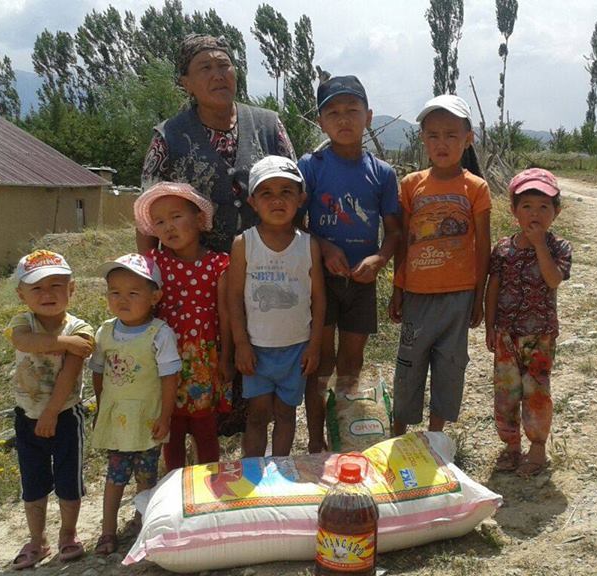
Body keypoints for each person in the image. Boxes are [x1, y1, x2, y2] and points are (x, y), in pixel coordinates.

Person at [298, 75, 401, 453]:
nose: (344, 119)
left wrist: (380, 258)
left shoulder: (382, 173)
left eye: (352, 110)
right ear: (321, 122)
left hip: (361, 283)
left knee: (352, 360)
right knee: (320, 361)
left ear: (368, 117)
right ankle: (315, 440)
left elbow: (394, 231)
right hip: (320, 281)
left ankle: (344, 433)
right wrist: (323, 246)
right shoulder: (310, 166)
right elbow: (294, 224)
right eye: (333, 113)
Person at [389, 95, 491, 436]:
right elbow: (403, 242)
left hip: (458, 297)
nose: (441, 143)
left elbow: (483, 246)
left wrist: (479, 296)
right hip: (417, 295)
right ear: (422, 138)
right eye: (433, 135)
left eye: (451, 135)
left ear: (468, 138)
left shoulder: (476, 188)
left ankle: (435, 437)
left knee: (450, 364)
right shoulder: (411, 185)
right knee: (409, 363)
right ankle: (398, 433)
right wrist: (398, 288)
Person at [140, 34, 296, 255]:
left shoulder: (269, 125)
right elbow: (147, 217)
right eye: (205, 68)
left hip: (269, 264)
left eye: (224, 65)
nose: (218, 75)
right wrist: (149, 270)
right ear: (186, 84)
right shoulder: (167, 137)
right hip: (193, 271)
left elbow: (297, 192)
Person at [227, 156, 325, 457]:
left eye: (286, 192)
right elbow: (234, 297)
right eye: (266, 193)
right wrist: (241, 344)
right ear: (253, 202)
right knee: (257, 415)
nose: (277, 200)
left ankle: (280, 470)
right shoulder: (244, 244)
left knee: (285, 414)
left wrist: (314, 346)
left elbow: (319, 299)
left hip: (296, 350)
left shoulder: (308, 245)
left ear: (300, 199)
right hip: (257, 350)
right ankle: (252, 472)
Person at [5, 250, 95, 569]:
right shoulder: (22, 323)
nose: (47, 294)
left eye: (56, 285)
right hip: (26, 416)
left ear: (71, 289)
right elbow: (24, 342)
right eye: (37, 288)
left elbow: (69, 375)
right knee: (33, 483)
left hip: (65, 415)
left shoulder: (80, 327)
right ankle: (37, 539)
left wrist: (51, 414)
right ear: (22, 294)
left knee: (69, 480)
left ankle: (68, 534)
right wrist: (66, 344)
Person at [133, 182, 231, 471]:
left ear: (200, 220)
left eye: (176, 217)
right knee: (171, 427)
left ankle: (208, 485)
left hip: (204, 361)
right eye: (159, 222)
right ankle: (175, 485)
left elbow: (226, 313)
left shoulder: (219, 264)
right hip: (165, 363)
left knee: (205, 428)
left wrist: (227, 357)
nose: (168, 227)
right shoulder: (154, 264)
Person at [88, 254, 180, 555]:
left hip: (146, 420)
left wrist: (165, 417)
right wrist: (100, 408)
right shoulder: (105, 332)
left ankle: (143, 526)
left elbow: (169, 378)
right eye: (115, 292)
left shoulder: (160, 334)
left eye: (133, 293)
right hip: (117, 421)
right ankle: (107, 531)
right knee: (114, 477)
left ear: (155, 297)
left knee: (145, 477)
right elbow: (98, 373)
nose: (122, 299)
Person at [485, 169, 572, 477]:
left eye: (544, 207)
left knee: (536, 391)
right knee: (506, 392)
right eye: (527, 206)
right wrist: (490, 326)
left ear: (556, 212)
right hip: (506, 334)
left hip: (540, 335)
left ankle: (537, 447)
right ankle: (510, 446)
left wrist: (539, 245)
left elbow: (553, 280)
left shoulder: (559, 247)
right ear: (514, 210)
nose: (535, 214)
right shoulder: (503, 248)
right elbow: (493, 287)